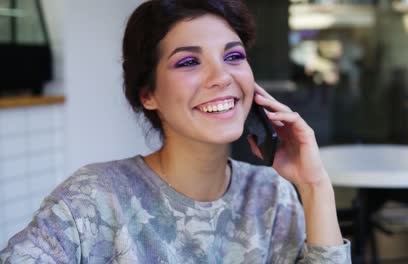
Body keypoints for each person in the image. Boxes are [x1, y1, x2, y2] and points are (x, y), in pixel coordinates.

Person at [0, 0, 351, 263]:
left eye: (233, 56)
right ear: (148, 94)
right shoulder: (93, 200)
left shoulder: (273, 197)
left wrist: (314, 185)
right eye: (188, 62)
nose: (222, 77)